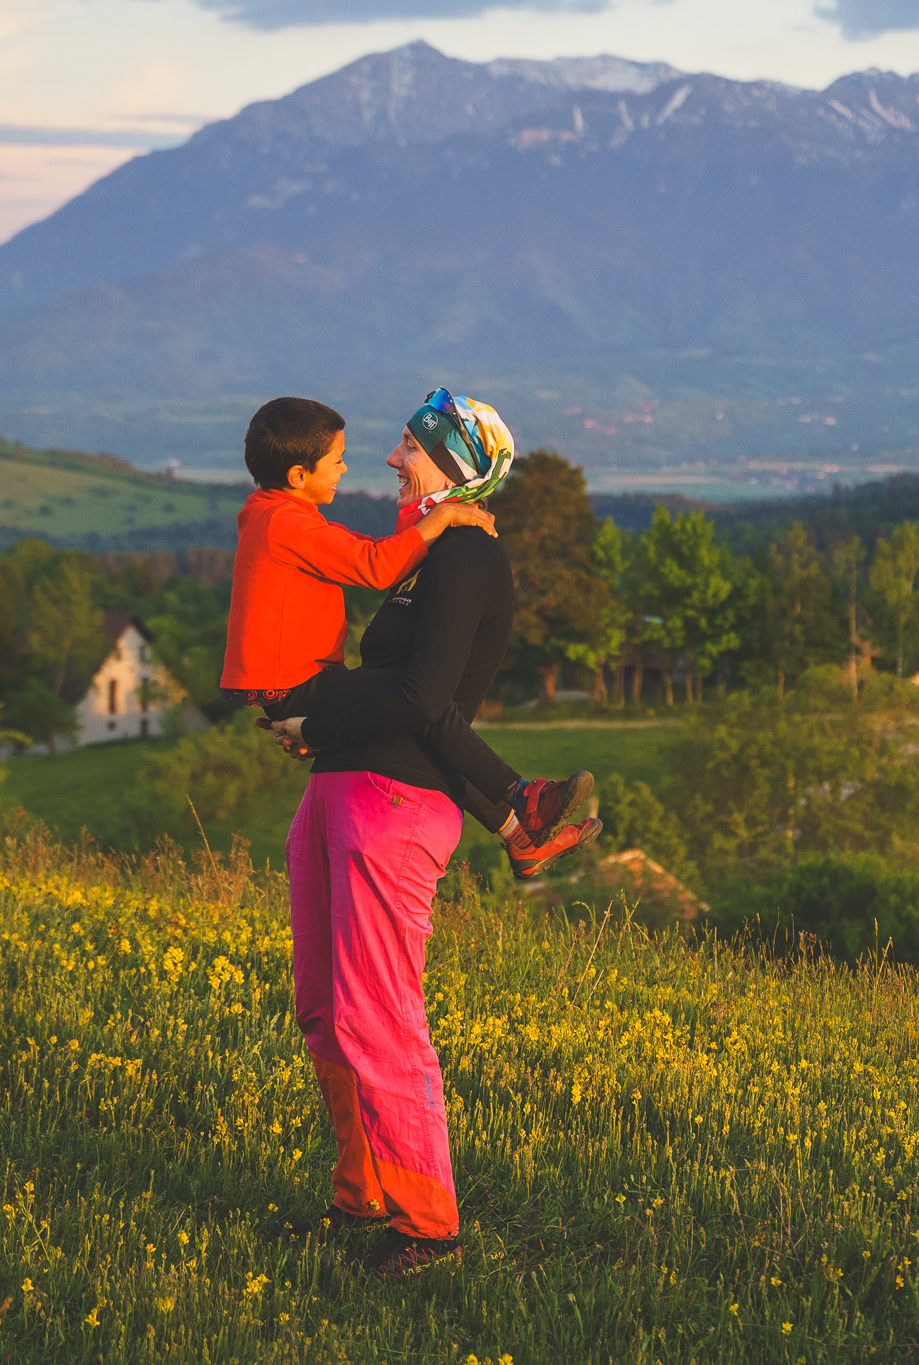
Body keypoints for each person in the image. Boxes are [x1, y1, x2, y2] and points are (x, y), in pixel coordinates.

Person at [271, 388, 599, 1278]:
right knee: (324, 1011)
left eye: (408, 447)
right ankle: (359, 1194)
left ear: (452, 464)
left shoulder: (465, 561)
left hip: (393, 805)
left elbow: (424, 703)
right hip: (338, 792)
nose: (390, 460)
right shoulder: (426, 558)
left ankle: (428, 1225)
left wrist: (314, 711)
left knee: (380, 1018)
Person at [221, 395, 596, 877]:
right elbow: (375, 565)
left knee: (424, 708)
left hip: (295, 687)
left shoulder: (269, 513)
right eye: (337, 461)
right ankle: (521, 793)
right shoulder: (284, 522)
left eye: (410, 448)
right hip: (298, 686)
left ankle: (519, 835)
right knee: (423, 698)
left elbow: (358, 548)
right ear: (298, 476)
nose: (354, 466)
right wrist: (438, 520)